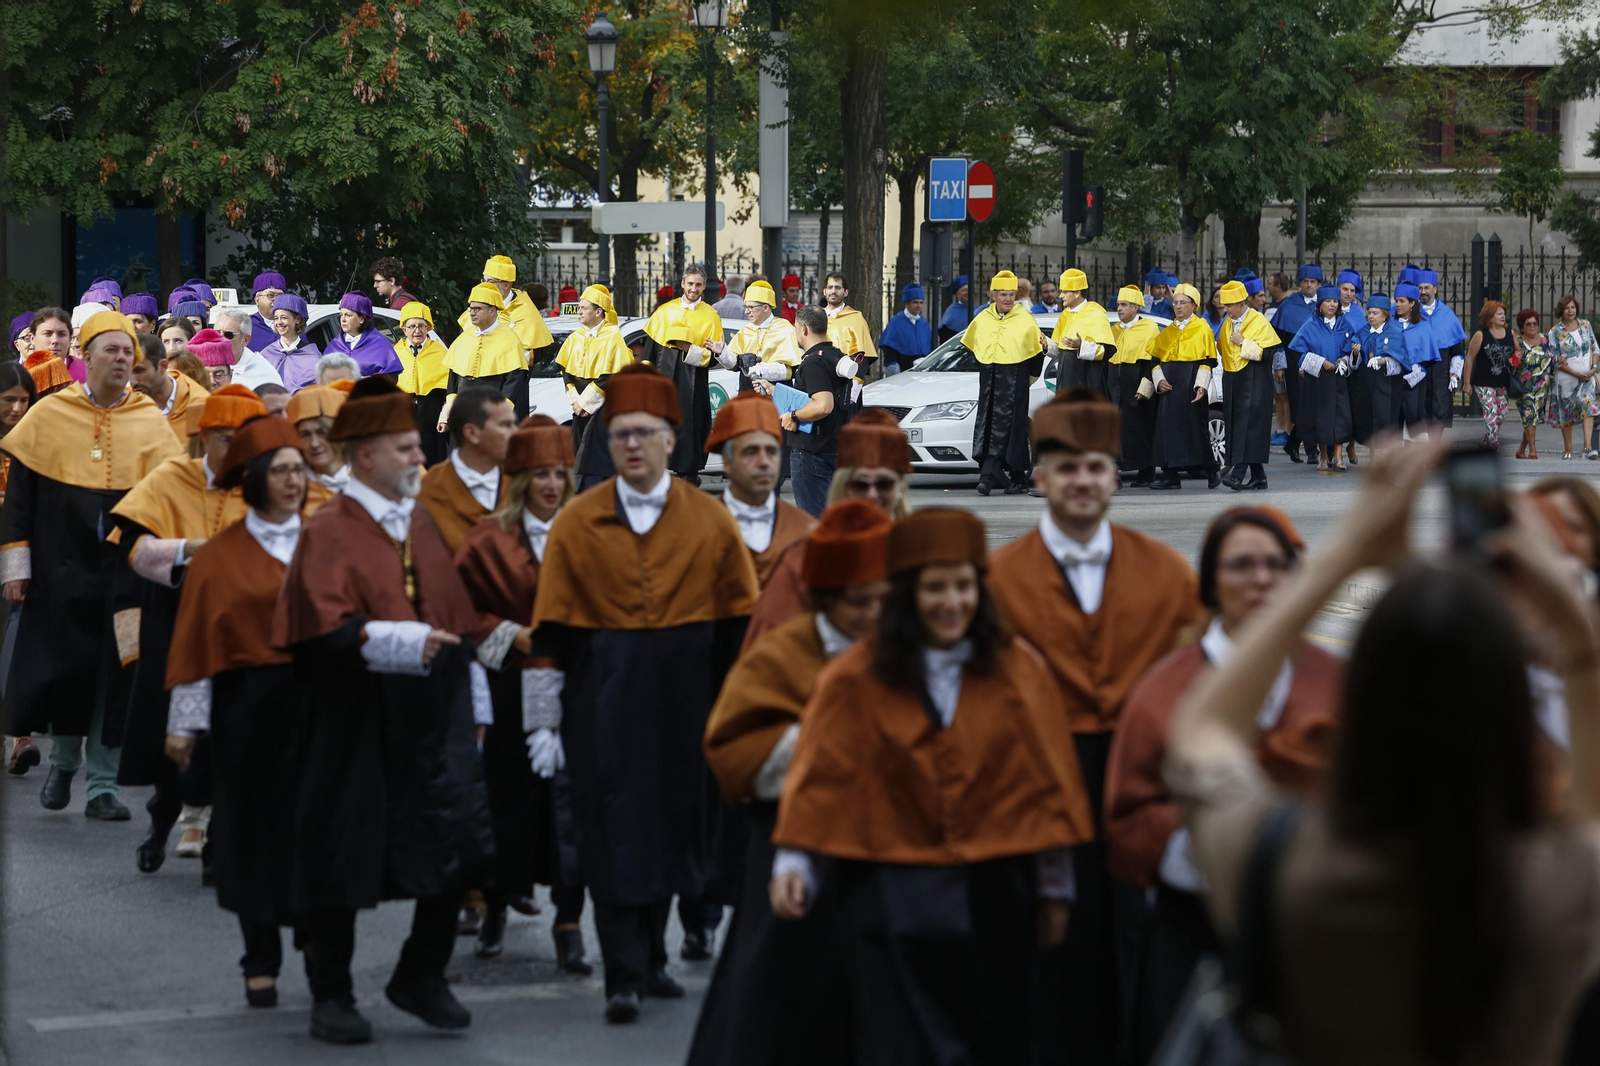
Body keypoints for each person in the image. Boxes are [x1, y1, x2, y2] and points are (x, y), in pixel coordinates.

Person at [1167, 438, 1600, 1066]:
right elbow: (1590, 809)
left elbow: (1201, 733)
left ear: (1361, 700)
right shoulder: (1554, 890)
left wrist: (1346, 553)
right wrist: (1573, 626)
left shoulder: (1286, 864)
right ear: (1510, 716)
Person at [771, 506, 1093, 1063]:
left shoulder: (1019, 671)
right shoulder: (854, 676)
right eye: (934, 588)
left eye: (964, 586)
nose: (951, 603)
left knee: (996, 1036)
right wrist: (794, 863)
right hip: (890, 892)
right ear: (906, 595)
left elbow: (1048, 784)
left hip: (993, 891)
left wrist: (1055, 887)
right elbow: (822, 773)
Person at [525, 362, 758, 1023]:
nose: (631, 444)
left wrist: (737, 713)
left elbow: (739, 628)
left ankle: (653, 958)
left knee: (676, 832)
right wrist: (541, 722)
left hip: (690, 701)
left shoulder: (709, 521)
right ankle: (622, 972)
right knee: (614, 833)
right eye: (621, 433)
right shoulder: (577, 521)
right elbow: (550, 635)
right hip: (603, 699)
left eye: (645, 433)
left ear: (670, 441)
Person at [985, 388, 1205, 1066]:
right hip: (1038, 788)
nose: (1083, 480)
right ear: (1042, 477)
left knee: (1142, 946)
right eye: (1067, 466)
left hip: (1136, 783)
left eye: (1097, 466)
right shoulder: (996, 578)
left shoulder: (1166, 573)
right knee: (1049, 949)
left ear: (1114, 475)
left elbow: (1195, 684)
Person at [272, 376, 493, 1045]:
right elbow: (319, 631)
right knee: (343, 851)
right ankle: (331, 993)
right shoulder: (329, 527)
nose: (420, 460)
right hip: (353, 715)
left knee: (454, 841)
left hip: (429, 712)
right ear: (365, 455)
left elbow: (454, 616)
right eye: (406, 448)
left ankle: (421, 973)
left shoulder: (418, 518)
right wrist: (401, 640)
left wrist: (473, 689)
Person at [1104, 507, 1341, 1062]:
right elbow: (1127, 820)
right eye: (1241, 565)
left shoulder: (1333, 680)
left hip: (1308, 932)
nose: (1260, 578)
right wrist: (1215, 818)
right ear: (1211, 582)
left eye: (1275, 565)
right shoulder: (1166, 688)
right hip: (1194, 930)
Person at [690, 500, 891, 1065]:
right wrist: (828, 750)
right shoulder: (781, 655)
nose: (875, 614)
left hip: (879, 856)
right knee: (780, 1001)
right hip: (786, 847)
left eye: (884, 600)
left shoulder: (899, 653)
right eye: (860, 603)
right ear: (826, 599)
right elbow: (731, 748)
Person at [1, 311, 184, 818]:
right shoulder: (49, 413)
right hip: (58, 567)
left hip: (124, 570)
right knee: (67, 670)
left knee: (116, 671)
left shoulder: (149, 419)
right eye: (112, 351)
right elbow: (19, 499)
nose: (122, 359)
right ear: (85, 357)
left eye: (128, 352)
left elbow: (168, 497)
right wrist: (15, 567)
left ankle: (101, 786)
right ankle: (62, 765)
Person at [162, 415, 311, 1008]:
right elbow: (197, 639)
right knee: (251, 832)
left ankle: (319, 941)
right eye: (281, 471)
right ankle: (260, 956)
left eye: (300, 469)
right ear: (251, 479)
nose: (295, 481)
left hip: (315, 703)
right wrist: (184, 722)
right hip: (245, 709)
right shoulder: (219, 557)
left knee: (316, 826)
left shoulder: (326, 540)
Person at [452, 415, 591, 968]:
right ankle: (495, 912)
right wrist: (513, 634)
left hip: (576, 687)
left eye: (560, 473)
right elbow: (460, 613)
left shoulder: (590, 532)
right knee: (506, 804)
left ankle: (570, 922)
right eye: (540, 475)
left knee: (570, 808)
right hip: (508, 688)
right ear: (520, 480)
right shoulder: (487, 540)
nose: (552, 485)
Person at [110, 384, 266, 874]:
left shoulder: (268, 486)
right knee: (170, 733)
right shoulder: (172, 477)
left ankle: (219, 841)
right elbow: (132, 547)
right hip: (172, 620)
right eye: (227, 439)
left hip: (240, 628)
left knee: (230, 735)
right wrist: (186, 552)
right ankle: (160, 825)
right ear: (205, 437)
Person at [741, 409, 912, 650]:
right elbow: (769, 647)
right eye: (860, 484)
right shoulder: (805, 555)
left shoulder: (919, 549)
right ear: (844, 486)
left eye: (884, 484)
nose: (872, 495)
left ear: (899, 489)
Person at [706, 393, 814, 588]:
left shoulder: (804, 532)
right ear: (727, 461)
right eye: (751, 451)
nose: (764, 462)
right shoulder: (698, 530)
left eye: (771, 451)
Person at [753, 306, 846, 517]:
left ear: (803, 328)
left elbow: (823, 404)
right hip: (833, 446)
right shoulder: (836, 356)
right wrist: (775, 391)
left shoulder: (813, 361)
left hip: (811, 452)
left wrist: (793, 416)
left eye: (795, 327)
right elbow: (814, 395)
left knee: (813, 522)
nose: (796, 332)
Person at [638, 267, 727, 483]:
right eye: (690, 284)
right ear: (683, 284)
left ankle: (689, 475)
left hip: (692, 384)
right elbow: (649, 352)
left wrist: (688, 348)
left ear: (704, 286)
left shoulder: (710, 316)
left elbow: (714, 359)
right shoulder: (663, 312)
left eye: (698, 285)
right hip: (662, 382)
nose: (693, 289)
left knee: (690, 428)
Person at [966, 270, 1049, 497]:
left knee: (1011, 427)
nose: (1008, 299)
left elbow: (1035, 353)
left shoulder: (1025, 319)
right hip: (989, 383)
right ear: (993, 295)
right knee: (995, 427)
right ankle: (1019, 478)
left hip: (1014, 382)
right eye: (1003, 294)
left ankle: (988, 477)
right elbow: (975, 348)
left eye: (1012, 294)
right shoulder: (982, 319)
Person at [554, 285, 634, 489]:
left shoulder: (613, 336)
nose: (579, 311)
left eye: (584, 307)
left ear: (598, 312)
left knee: (598, 454)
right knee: (579, 452)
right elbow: (566, 371)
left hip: (600, 406)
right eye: (579, 307)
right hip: (579, 406)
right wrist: (575, 401)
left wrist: (585, 403)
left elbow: (610, 375)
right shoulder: (576, 336)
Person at [0, 363, 39, 777]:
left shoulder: (37, 441)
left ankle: (19, 736)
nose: (17, 407)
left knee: (17, 645)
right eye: (8, 399)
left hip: (23, 553)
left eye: (24, 400)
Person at [417, 386, 512, 553]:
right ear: (471, 432)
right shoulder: (432, 489)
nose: (514, 431)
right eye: (504, 425)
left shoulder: (517, 485)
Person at [1148, 283, 1221, 491]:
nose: (1178, 307)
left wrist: (1202, 386)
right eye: (1176, 303)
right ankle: (1170, 475)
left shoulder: (1202, 329)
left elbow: (1207, 360)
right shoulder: (1167, 331)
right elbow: (1154, 361)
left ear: (1194, 305)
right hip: (1169, 387)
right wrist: (1159, 381)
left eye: (1183, 303)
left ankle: (1212, 468)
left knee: (1195, 431)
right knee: (1166, 430)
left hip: (1190, 385)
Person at [1216, 277, 1283, 490]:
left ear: (1241, 303)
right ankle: (1259, 476)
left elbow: (1268, 352)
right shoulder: (1227, 323)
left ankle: (1237, 474)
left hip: (1255, 380)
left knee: (1249, 426)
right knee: (1239, 425)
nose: (1225, 310)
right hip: (1233, 381)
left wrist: (1244, 342)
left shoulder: (1258, 320)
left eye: (1228, 305)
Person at [1289, 284, 1356, 473]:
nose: (1332, 305)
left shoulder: (1345, 324)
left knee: (1341, 417)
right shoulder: (1310, 325)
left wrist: (1344, 359)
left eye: (1335, 301)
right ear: (1320, 304)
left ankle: (1338, 456)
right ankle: (1324, 455)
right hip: (1319, 379)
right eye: (1328, 301)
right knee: (1322, 418)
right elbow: (1298, 351)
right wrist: (1322, 362)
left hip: (1340, 378)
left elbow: (1352, 346)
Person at [443, 282, 529, 424]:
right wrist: (450, 408)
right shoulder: (463, 338)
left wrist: (501, 413)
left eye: (477, 309)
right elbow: (453, 377)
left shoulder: (510, 339)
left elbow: (514, 381)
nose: (471, 312)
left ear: (492, 311)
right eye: (471, 308)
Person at [1109, 284, 1162, 488]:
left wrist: (1146, 387)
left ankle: (1146, 472)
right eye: (1118, 305)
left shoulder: (1149, 327)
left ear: (1135, 307)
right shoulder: (1113, 329)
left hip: (1138, 383)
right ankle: (1116, 472)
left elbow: (1153, 360)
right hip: (1116, 385)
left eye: (1124, 305)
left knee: (1140, 429)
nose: (1119, 309)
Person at [454, 254, 555, 361]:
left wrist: (511, 359)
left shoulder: (525, 310)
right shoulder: (477, 307)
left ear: (506, 285)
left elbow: (539, 351)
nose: (485, 286)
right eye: (484, 280)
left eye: (490, 282)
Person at [1272, 265, 1324, 463]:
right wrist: (1279, 365)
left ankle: (1293, 442)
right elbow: (1278, 340)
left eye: (1313, 282)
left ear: (1318, 284)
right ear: (1300, 284)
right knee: (1303, 405)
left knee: (1316, 406)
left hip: (1321, 361)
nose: (1309, 285)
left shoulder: (1326, 303)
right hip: (1296, 364)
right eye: (1305, 281)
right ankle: (1312, 450)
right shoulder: (1289, 305)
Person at [388, 302, 450, 466]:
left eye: (422, 326)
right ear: (404, 329)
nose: (417, 331)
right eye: (413, 326)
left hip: (430, 409)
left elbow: (447, 388)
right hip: (404, 410)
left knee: (431, 455)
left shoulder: (439, 352)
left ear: (428, 328)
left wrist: (445, 415)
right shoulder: (395, 352)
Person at [720, 280, 800, 392]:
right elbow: (734, 365)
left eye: (751, 307)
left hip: (775, 396)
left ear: (765, 308)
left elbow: (790, 370)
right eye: (745, 307)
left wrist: (759, 369)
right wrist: (721, 352)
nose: (747, 312)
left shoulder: (784, 329)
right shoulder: (745, 331)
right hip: (747, 394)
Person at [1350, 294, 1406, 452]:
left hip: (1387, 385)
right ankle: (1374, 456)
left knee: (1385, 421)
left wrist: (1383, 361)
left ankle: (1385, 456)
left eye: (1375, 313)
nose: (1371, 316)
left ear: (1385, 315)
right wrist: (1355, 354)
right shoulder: (1362, 332)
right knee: (1368, 420)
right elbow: (1354, 364)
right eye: (1369, 312)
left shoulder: (1395, 333)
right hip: (1366, 384)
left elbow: (1401, 362)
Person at [1416, 268, 1468, 431]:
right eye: (1420, 288)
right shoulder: (1411, 313)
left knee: (1439, 411)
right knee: (1418, 412)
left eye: (1427, 287)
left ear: (1435, 289)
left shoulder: (1447, 315)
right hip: (1419, 368)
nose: (1423, 292)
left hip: (1441, 371)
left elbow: (1457, 351)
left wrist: (1455, 373)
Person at [1549, 294, 1599, 461]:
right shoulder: (1555, 332)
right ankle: (1568, 449)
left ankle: (1588, 447)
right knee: (1567, 413)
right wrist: (1576, 373)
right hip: (1566, 379)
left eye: (1572, 307)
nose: (1570, 310)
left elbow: (1595, 348)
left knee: (1588, 405)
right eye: (1566, 308)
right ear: (1561, 311)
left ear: (1576, 308)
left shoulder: (1585, 325)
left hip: (1587, 377)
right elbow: (1555, 359)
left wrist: (1593, 368)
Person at [1053, 268, 1118, 396]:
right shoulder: (1065, 314)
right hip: (1065, 381)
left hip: (1085, 381)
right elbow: (1060, 351)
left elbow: (1107, 351)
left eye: (1065, 291)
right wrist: (1046, 344)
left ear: (1077, 292)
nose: (1061, 295)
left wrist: (1081, 345)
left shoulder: (1096, 313)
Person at [1466, 299, 1517, 450]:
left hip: (1502, 381)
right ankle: (1493, 444)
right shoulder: (1481, 335)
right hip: (1483, 381)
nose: (1503, 316)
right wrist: (1467, 383)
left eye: (1503, 314)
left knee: (1502, 412)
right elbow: (1469, 358)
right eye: (1499, 314)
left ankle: (1486, 439)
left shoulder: (1510, 333)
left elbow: (1518, 351)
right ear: (1489, 317)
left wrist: (1514, 359)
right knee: (1491, 412)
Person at [287, 383, 352, 495]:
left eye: (322, 433)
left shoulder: (368, 480)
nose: (314, 444)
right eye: (305, 435)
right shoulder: (294, 491)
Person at [323, 292, 400, 378]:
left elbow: (391, 378)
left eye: (348, 315)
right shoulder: (335, 344)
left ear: (362, 319)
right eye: (341, 315)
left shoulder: (380, 343)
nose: (343, 319)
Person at [821, 272, 878, 379]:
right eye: (830, 287)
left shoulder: (856, 318)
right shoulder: (816, 317)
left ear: (846, 292)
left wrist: (854, 386)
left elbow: (862, 357)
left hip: (845, 380)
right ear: (824, 291)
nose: (833, 291)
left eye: (838, 288)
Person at [213, 307, 286, 391]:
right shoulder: (205, 365)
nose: (221, 339)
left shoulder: (265, 374)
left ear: (245, 340)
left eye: (229, 335)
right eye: (216, 333)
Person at [261, 294, 321, 393]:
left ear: (298, 319)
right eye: (276, 318)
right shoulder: (266, 354)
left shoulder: (313, 356)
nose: (279, 322)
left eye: (283, 317)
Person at [1515, 308, 1553, 460]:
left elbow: (1553, 357)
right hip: (1524, 387)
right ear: (1522, 326)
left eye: (1534, 323)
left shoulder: (1545, 340)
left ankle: (1521, 450)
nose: (1532, 326)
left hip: (1542, 387)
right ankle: (1533, 450)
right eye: (1528, 324)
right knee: (1529, 415)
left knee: (1533, 419)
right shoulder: (1517, 341)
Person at [876, 283, 934, 376]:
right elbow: (889, 349)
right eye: (915, 302)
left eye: (921, 302)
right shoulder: (896, 321)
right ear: (907, 303)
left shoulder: (924, 323)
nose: (919, 306)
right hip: (902, 369)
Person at [247, 271, 287, 352]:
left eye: (280, 296)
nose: (276, 300)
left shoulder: (294, 325)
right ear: (257, 300)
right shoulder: (245, 326)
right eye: (271, 296)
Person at [940, 274, 972, 341]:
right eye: (964, 290)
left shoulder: (976, 310)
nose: (967, 293)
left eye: (969, 290)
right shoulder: (951, 311)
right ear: (957, 294)